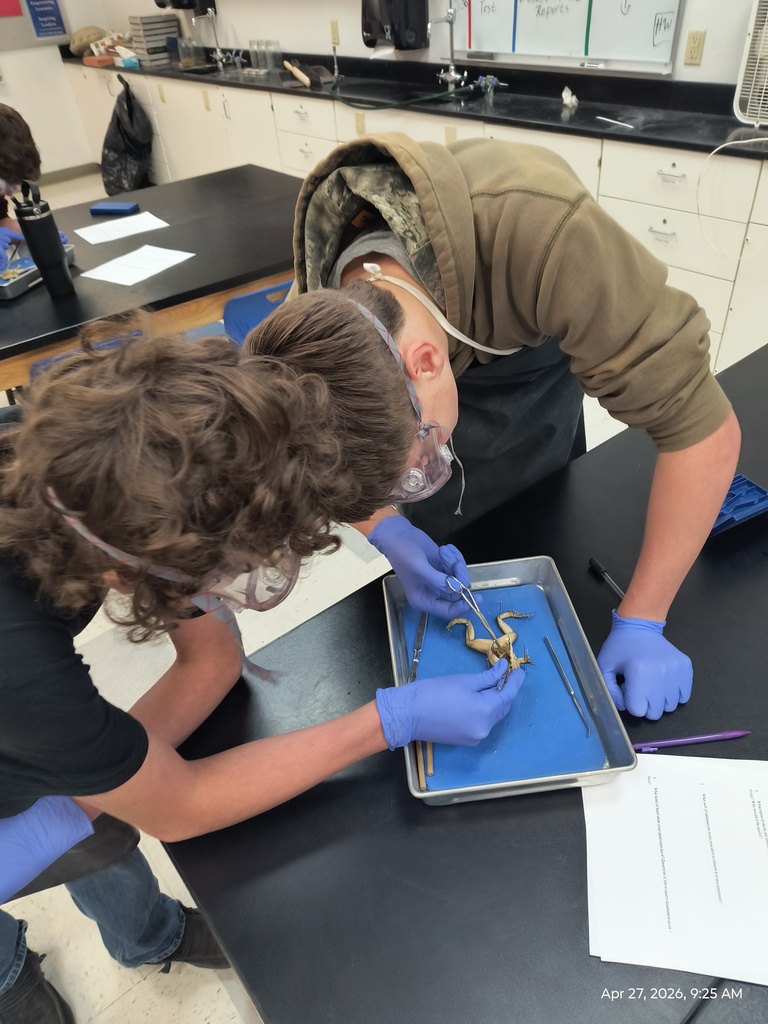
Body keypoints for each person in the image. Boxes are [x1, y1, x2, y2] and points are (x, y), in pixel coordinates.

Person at [0, 326, 521, 1023]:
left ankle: (145, 933)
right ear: (131, 564)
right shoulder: (24, 665)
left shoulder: (86, 451)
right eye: (224, 565)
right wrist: (387, 720)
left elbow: (210, 660)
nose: (226, 582)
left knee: (88, 804)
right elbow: (180, 806)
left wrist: (103, 783)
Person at [243, 131, 742, 723]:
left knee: (547, 523)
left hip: (529, 375)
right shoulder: (311, 333)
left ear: (425, 364)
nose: (427, 476)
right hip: (423, 381)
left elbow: (701, 429)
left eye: (420, 458)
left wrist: (644, 618)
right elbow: (330, 467)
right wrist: (384, 528)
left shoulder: (545, 230)